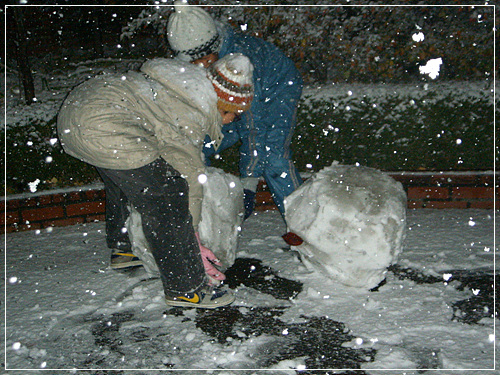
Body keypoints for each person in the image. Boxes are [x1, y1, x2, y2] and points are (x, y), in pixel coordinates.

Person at [57, 54, 254, 308]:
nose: (232, 122)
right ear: (223, 106)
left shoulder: (185, 85)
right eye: (235, 115)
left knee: (127, 178)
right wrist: (193, 242)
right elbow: (190, 176)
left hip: (79, 118)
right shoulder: (193, 111)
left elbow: (165, 142)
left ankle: (124, 247)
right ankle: (186, 287)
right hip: (103, 125)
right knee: (169, 195)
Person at [167, 1, 304, 220]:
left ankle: (302, 228)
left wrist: (249, 184)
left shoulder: (241, 65)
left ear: (214, 48)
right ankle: (205, 212)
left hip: (277, 89)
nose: (200, 67)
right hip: (240, 102)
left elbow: (254, 126)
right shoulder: (199, 62)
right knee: (200, 146)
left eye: (204, 60)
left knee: (274, 157)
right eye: (193, 62)